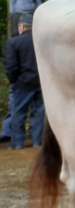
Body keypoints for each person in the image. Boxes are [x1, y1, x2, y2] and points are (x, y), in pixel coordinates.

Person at [3, 14, 44, 149]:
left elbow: (11, 65)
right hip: (42, 82)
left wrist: (13, 80)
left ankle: (17, 142)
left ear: (21, 27)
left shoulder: (15, 42)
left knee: (18, 113)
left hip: (23, 83)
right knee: (39, 112)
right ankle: (37, 141)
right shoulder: (43, 41)